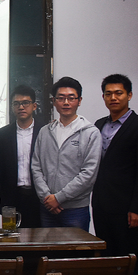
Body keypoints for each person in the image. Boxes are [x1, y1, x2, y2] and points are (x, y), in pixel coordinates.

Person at [92, 74, 138, 275]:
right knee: (107, 256)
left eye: (118, 93)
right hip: (101, 204)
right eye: (108, 93)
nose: (113, 98)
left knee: (129, 257)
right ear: (103, 97)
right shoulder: (99, 125)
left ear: (129, 95)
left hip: (126, 208)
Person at [31, 76, 102, 231]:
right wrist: (47, 197)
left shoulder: (90, 133)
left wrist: (59, 198)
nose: (66, 102)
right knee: (48, 247)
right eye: (61, 98)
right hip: (47, 207)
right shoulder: (45, 131)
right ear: (54, 101)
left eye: (71, 98)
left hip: (75, 210)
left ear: (79, 100)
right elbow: (36, 166)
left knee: (74, 247)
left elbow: (89, 173)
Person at [0, 85, 42, 228]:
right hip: (11, 197)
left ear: (34, 106)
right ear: (11, 107)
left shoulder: (45, 131)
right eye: (16, 103)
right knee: (10, 236)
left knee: (39, 237)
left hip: (38, 196)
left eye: (25, 103)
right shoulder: (2, 134)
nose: (21, 107)